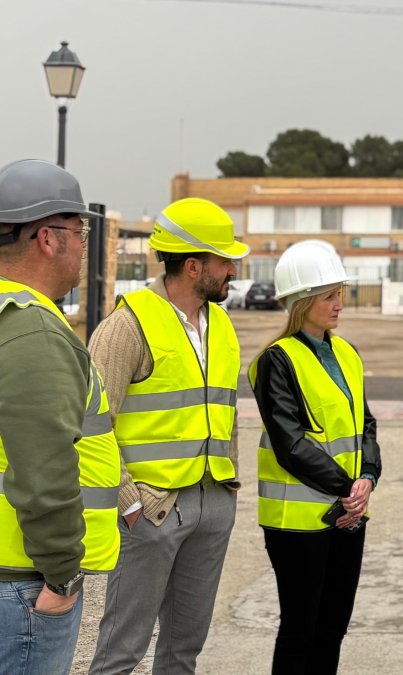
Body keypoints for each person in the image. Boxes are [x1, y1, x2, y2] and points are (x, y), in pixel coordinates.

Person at [88, 197, 248, 675]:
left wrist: (226, 496)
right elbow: (89, 423)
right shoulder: (126, 326)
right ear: (194, 266)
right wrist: (130, 503)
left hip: (212, 503)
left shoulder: (220, 323)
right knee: (121, 653)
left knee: (184, 653)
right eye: (225, 261)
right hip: (151, 512)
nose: (234, 270)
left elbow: (225, 414)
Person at [0, 159, 120, 675]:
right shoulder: (35, 333)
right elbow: (45, 472)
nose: (83, 245)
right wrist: (62, 577)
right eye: (81, 231)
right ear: (48, 238)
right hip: (24, 581)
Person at [249, 240, 381, 674]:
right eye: (328, 295)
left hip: (347, 514)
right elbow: (290, 444)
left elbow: (365, 426)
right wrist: (349, 490)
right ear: (302, 302)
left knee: (332, 628)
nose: (338, 303)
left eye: (340, 292)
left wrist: (367, 479)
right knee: (301, 629)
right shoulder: (277, 361)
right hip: (299, 523)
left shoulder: (347, 354)